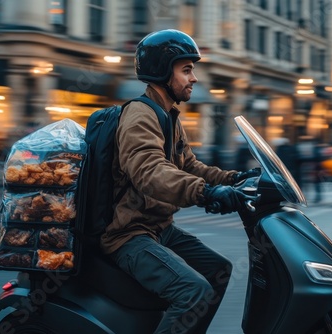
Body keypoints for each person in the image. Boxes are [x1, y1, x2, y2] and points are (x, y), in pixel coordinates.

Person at [102, 29, 257, 333]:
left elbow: (190, 166)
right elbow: (149, 171)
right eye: (186, 70)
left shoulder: (168, 115)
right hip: (129, 235)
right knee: (193, 291)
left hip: (160, 229)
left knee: (219, 270)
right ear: (162, 71)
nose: (194, 78)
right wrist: (205, 193)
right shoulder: (139, 115)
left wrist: (236, 178)